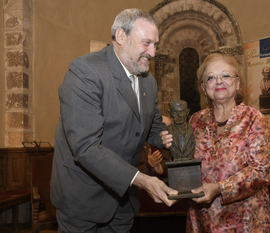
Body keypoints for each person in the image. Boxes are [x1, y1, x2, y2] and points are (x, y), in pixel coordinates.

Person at [50, 8, 177, 233]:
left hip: (123, 201)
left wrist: (165, 136)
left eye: (156, 44)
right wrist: (142, 180)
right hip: (83, 198)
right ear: (121, 36)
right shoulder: (85, 71)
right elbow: (85, 147)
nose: (153, 52)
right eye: (147, 43)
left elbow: (150, 124)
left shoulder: (149, 81)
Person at [161, 53, 270, 232]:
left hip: (244, 220)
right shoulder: (195, 121)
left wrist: (220, 188)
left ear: (237, 83)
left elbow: (260, 171)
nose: (219, 81)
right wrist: (169, 144)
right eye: (211, 77)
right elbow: (185, 163)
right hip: (202, 220)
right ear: (204, 88)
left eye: (226, 75)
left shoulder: (253, 118)